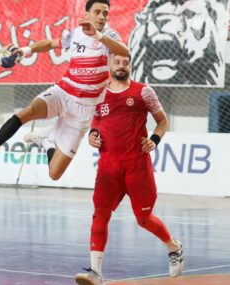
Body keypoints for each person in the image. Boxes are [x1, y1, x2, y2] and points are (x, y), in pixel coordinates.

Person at [0, 0, 129, 180]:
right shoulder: (76, 34)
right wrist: (24, 50)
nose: (101, 16)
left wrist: (98, 35)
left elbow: (124, 52)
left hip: (84, 110)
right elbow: (51, 44)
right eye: (97, 12)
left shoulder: (109, 35)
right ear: (86, 15)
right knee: (29, 111)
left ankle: (46, 141)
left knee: (54, 173)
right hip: (63, 93)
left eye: (105, 13)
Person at [74, 54, 184, 285]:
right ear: (110, 65)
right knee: (100, 215)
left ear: (130, 65)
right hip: (108, 167)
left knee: (143, 218)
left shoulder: (144, 92)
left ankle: (173, 247)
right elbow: (95, 121)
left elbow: (162, 121)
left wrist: (154, 139)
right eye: (117, 62)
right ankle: (96, 272)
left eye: (125, 62)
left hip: (137, 166)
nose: (121, 66)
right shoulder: (100, 92)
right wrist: (92, 136)